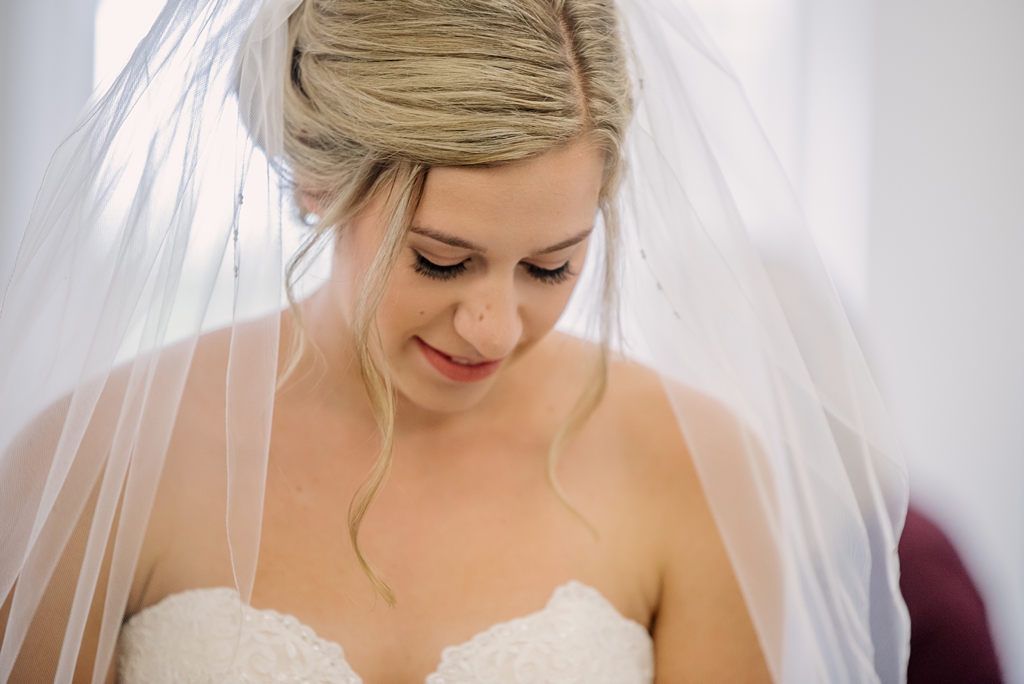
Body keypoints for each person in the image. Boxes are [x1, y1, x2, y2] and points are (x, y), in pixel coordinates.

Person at [0, 0, 910, 681]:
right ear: (319, 182)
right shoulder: (97, 463)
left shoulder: (695, 464)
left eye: (551, 268)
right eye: (441, 261)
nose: (496, 326)